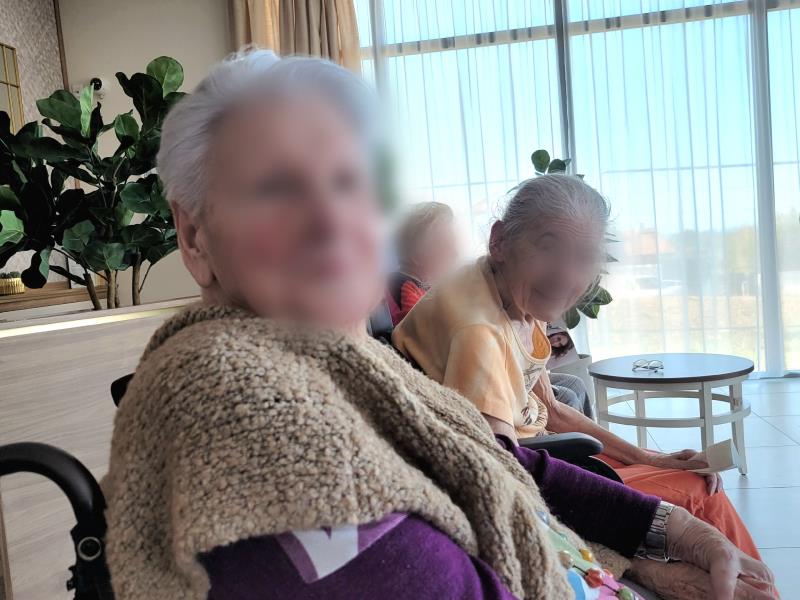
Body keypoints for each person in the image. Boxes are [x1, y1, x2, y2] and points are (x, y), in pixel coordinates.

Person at [102, 51, 775, 600]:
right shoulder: (243, 405)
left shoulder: (343, 361)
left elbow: (496, 460)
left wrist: (664, 532)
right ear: (194, 235)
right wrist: (636, 572)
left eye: (351, 182)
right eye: (276, 186)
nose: (332, 219)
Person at [393, 175, 762, 561]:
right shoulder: (478, 332)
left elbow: (551, 410)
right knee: (700, 491)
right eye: (549, 246)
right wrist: (629, 562)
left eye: (584, 257)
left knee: (686, 477)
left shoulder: (511, 295)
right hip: (533, 468)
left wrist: (650, 459)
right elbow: (500, 473)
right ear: (499, 240)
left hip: (541, 449)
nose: (567, 276)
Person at [388, 201, 458, 325]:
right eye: (444, 245)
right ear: (416, 254)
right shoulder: (405, 288)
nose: (454, 253)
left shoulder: (423, 286)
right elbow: (422, 331)